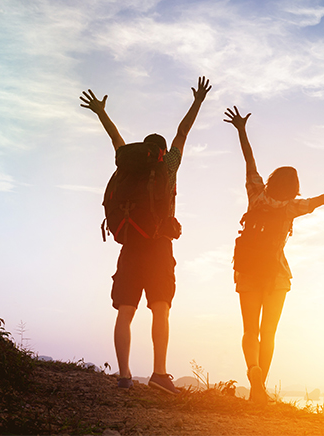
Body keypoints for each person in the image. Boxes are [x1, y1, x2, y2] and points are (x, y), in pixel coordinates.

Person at [224, 106, 324, 404]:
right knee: (269, 333)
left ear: (272, 180)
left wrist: (241, 130)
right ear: (294, 188)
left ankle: (252, 370)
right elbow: (323, 199)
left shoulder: (255, 194)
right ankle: (258, 389)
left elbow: (249, 160)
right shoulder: (293, 207)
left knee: (250, 330)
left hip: (248, 272)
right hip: (276, 275)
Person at [79, 77, 212, 394]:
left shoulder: (128, 162)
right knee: (161, 308)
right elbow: (183, 132)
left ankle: (124, 376)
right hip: (159, 245)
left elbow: (116, 140)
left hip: (130, 245)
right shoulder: (168, 165)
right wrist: (197, 102)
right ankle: (159, 374)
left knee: (126, 311)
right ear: (162, 151)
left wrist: (100, 112)